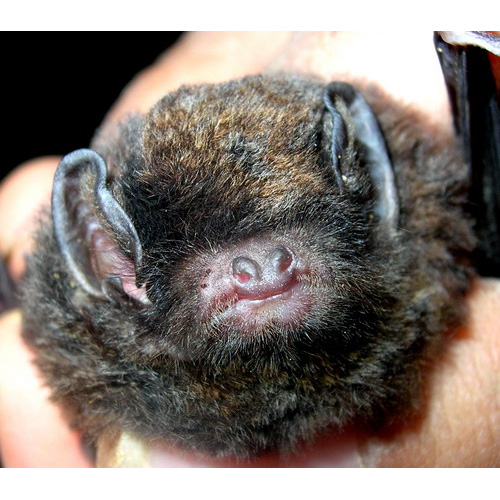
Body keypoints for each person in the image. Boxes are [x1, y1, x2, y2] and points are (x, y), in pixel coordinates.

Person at [0, 32, 498, 467]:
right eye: (224, 254)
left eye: (283, 241)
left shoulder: (421, 230)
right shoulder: (86, 341)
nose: (261, 272)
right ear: (110, 259)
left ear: (379, 197)